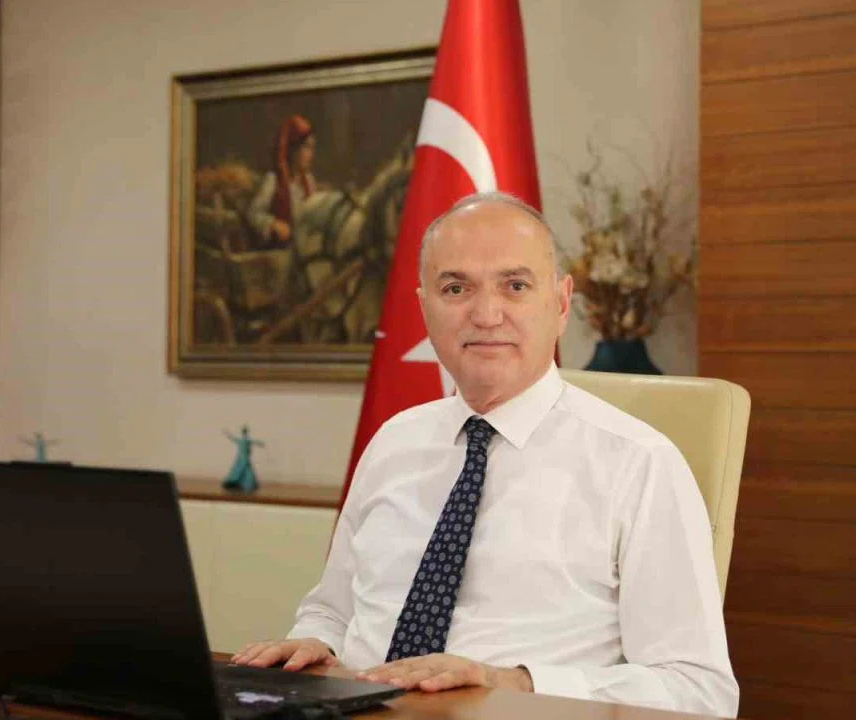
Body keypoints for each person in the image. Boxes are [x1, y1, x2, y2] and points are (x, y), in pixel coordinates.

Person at [231, 192, 738, 717]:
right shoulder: (393, 442)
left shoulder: (639, 463)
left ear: (562, 304)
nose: (486, 315)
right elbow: (333, 611)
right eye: (456, 289)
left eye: (515, 286)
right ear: (424, 308)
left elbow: (699, 691)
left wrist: (512, 683)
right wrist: (316, 642)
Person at [246, 114, 319, 250]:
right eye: (306, 147)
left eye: (312, 148)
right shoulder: (274, 180)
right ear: (292, 149)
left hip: (303, 248)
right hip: (278, 251)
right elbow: (253, 214)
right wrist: (273, 224)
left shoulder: (309, 181)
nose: (310, 154)